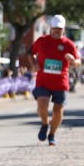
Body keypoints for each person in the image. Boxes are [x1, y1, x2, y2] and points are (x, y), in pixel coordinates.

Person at [28, 15, 81, 146]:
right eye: (55, 28)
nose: (57, 31)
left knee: (58, 110)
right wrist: (34, 64)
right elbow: (30, 53)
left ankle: (52, 134)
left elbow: (78, 62)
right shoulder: (42, 40)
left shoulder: (69, 44)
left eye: (60, 29)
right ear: (51, 28)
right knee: (42, 103)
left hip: (60, 82)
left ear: (64, 29)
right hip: (43, 80)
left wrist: (73, 61)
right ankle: (45, 123)